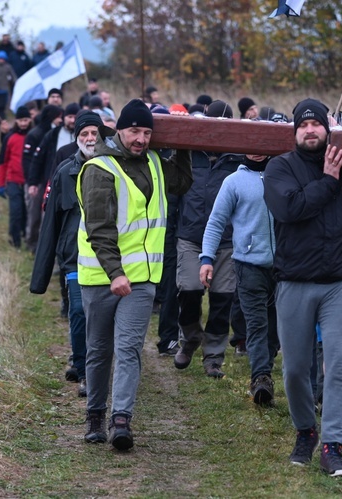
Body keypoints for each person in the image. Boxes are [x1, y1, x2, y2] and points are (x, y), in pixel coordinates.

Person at [263, 98, 342, 477]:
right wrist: (329, 180)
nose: (310, 130)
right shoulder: (279, 167)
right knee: (296, 369)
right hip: (294, 281)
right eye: (303, 126)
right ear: (295, 131)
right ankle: (306, 430)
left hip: (340, 283)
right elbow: (290, 209)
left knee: (341, 366)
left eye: (317, 125)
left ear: (328, 130)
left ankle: (333, 445)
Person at [77, 99, 192, 450]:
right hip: (102, 278)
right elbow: (99, 228)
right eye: (134, 131)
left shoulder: (155, 162)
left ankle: (121, 419)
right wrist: (114, 273)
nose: (141, 138)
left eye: (146, 132)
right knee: (99, 350)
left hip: (142, 279)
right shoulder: (100, 168)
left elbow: (182, 182)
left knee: (128, 348)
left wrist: (184, 142)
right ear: (119, 130)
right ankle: (96, 414)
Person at [30, 111, 114, 398]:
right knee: (78, 311)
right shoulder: (65, 171)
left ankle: (100, 364)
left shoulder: (116, 167)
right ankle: (83, 368)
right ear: (77, 139)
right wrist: (40, 275)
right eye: (84, 135)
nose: (90, 139)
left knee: (103, 317)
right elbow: (51, 221)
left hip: (111, 258)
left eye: (94, 133)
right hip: (75, 257)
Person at [199, 152, 280, 404]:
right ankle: (261, 378)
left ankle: (267, 362)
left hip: (285, 266)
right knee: (256, 324)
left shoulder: (284, 176)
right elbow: (216, 222)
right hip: (248, 265)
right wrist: (207, 258)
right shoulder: (233, 181)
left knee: (276, 327)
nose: (256, 151)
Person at [172, 100, 243, 378]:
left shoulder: (239, 158)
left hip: (226, 240)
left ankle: (214, 356)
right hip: (190, 235)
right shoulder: (189, 154)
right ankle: (190, 337)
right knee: (188, 290)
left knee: (222, 300)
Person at [22, 105, 63, 252]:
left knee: (46, 217)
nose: (61, 119)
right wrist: (32, 182)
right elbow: (35, 160)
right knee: (35, 215)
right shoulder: (38, 134)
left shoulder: (58, 134)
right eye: (59, 116)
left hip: (51, 181)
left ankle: (42, 247)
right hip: (40, 182)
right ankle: (31, 242)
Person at [0, 105, 33, 248]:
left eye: (25, 120)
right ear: (16, 121)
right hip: (13, 181)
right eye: (20, 120)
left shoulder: (34, 136)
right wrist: (1, 184)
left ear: (30, 120)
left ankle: (26, 236)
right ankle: (14, 240)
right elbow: (2, 161)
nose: (23, 123)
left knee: (26, 212)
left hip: (29, 182)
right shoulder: (10, 137)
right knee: (15, 212)